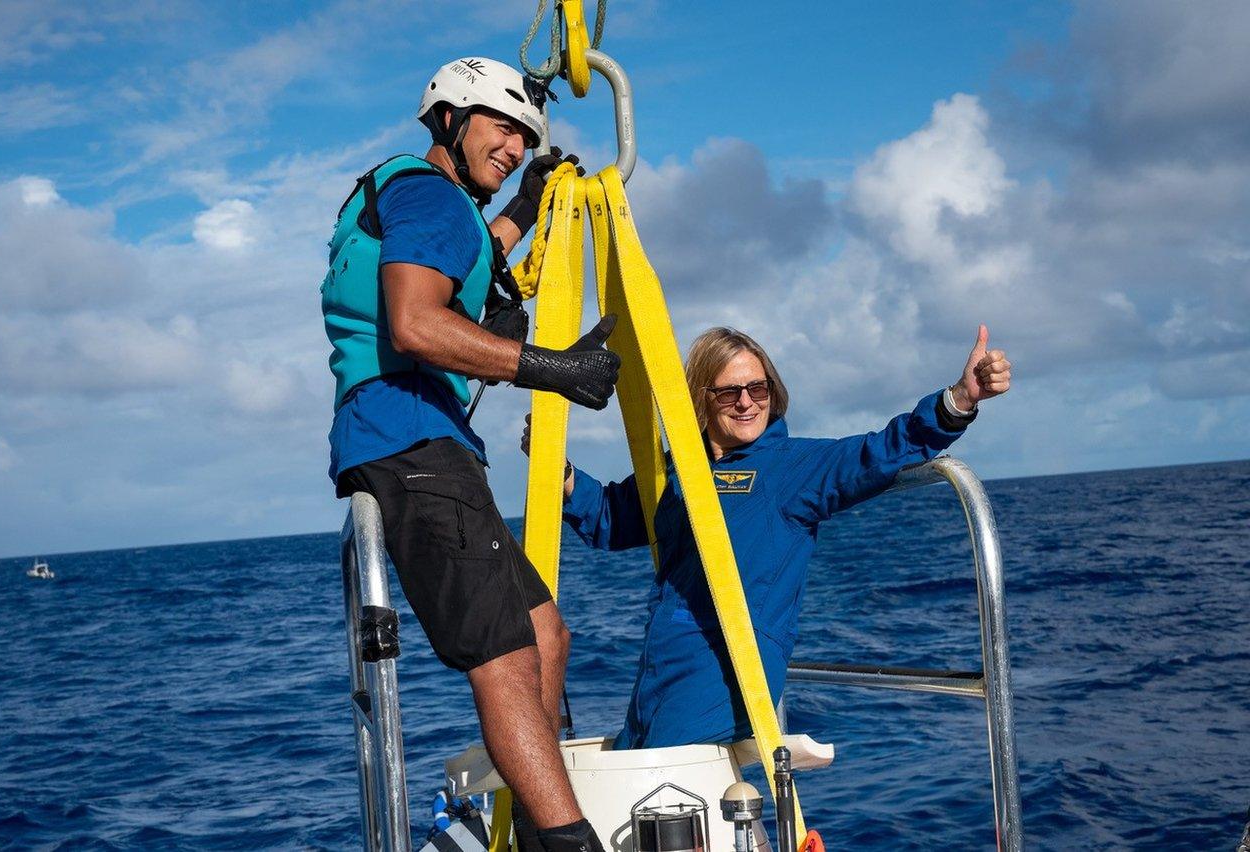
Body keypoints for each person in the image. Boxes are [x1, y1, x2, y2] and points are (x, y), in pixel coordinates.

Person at [322, 57, 619, 852]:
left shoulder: (429, 202)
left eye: (527, 136)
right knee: (504, 654)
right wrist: (554, 369)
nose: (517, 145)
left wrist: (526, 202)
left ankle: (533, 825)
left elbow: (474, 255)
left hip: (423, 439)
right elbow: (418, 323)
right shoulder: (427, 194)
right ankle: (564, 839)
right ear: (449, 121)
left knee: (544, 633)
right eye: (503, 128)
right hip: (410, 440)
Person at [523, 325, 1011, 748]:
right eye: (729, 392)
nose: (746, 402)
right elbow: (612, 517)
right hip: (659, 670)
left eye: (758, 389)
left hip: (728, 675)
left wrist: (959, 400)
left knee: (655, 789)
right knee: (631, 771)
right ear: (700, 398)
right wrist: (561, 472)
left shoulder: (792, 469)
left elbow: (882, 451)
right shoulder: (679, 473)